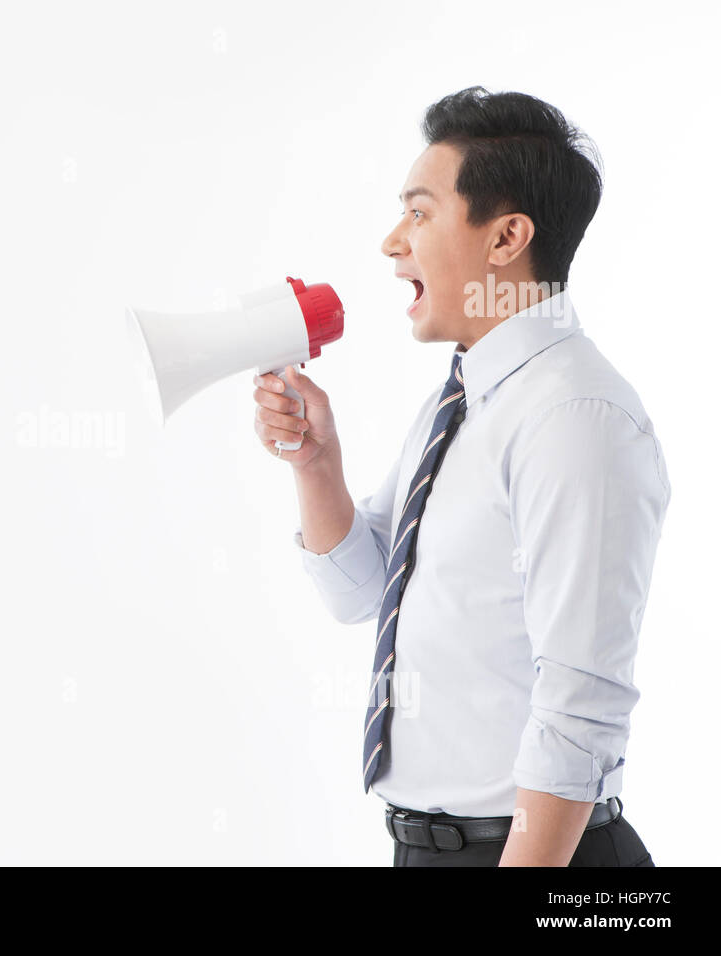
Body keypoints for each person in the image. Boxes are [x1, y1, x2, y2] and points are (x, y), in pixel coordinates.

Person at [252, 87, 669, 866]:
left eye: (418, 213)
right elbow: (361, 595)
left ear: (507, 236)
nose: (390, 242)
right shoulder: (467, 398)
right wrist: (317, 465)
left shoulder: (575, 416)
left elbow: (582, 704)